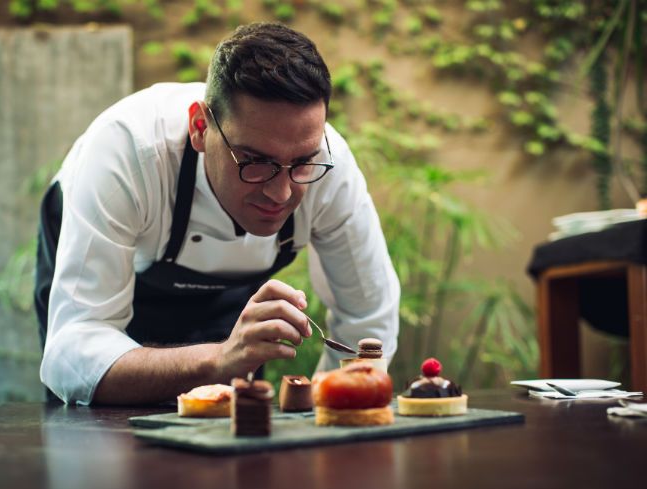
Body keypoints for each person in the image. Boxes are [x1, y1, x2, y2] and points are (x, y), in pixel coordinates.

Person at [34, 22, 400, 405]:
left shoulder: (331, 167)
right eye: (255, 161)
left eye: (303, 162)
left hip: (228, 314)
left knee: (240, 426)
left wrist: (321, 426)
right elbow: (73, 354)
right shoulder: (128, 153)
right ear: (199, 127)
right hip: (112, 298)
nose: (282, 191)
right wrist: (219, 358)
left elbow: (366, 322)